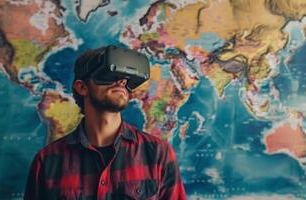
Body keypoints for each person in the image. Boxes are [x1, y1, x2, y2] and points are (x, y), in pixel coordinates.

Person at [24, 46, 187, 200]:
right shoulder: (47, 161)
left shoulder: (157, 154)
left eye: (126, 79)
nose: (121, 82)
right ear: (82, 87)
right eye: (110, 75)